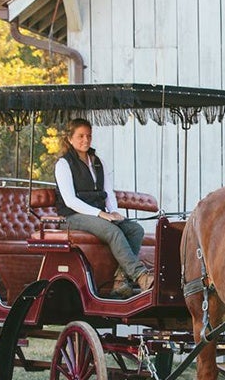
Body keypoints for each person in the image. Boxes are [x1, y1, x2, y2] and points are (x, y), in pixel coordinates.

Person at [54, 118, 153, 297]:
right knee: (112, 231)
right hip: (72, 217)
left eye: (89, 136)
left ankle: (121, 280)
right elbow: (69, 201)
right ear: (70, 139)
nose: (86, 140)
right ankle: (140, 275)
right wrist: (100, 214)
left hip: (99, 215)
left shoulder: (98, 162)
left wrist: (113, 211)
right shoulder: (63, 164)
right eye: (81, 136)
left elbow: (108, 191)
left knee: (135, 230)